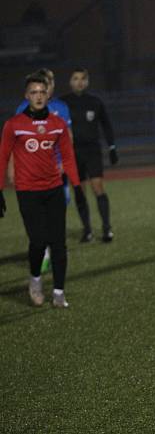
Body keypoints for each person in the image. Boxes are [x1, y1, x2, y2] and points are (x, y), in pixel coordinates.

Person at [0, 73, 80, 308]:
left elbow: (67, 156)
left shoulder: (57, 124)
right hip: (28, 191)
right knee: (38, 241)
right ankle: (35, 279)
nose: (38, 96)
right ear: (27, 96)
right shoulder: (14, 125)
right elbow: (3, 156)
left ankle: (58, 292)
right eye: (33, 92)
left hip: (53, 188)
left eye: (41, 92)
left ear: (48, 95)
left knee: (59, 243)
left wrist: (76, 185)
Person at [14, 68, 72, 273]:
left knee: (59, 209)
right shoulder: (22, 108)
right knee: (38, 214)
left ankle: (54, 245)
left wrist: (65, 162)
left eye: (51, 82)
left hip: (57, 170)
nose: (48, 87)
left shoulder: (61, 107)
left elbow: (68, 136)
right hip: (33, 173)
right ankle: (45, 248)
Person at [60, 67, 118, 243]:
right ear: (70, 82)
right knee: (79, 191)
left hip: (92, 151)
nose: (79, 82)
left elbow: (106, 125)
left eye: (82, 79)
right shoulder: (62, 103)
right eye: (75, 78)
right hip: (72, 153)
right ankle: (87, 230)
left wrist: (112, 147)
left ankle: (106, 228)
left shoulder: (95, 101)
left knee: (98, 187)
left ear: (87, 82)